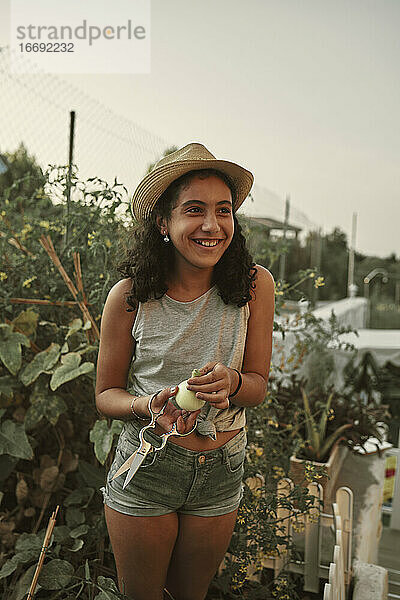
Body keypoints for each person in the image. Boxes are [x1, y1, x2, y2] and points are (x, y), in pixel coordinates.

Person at [95, 143, 275, 600]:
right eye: (194, 210)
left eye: (224, 210)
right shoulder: (130, 297)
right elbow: (106, 395)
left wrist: (233, 384)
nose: (212, 225)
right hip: (149, 464)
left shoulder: (255, 286)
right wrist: (146, 403)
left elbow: (257, 387)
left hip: (221, 466)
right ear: (163, 222)